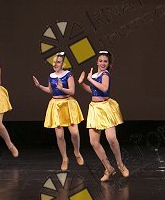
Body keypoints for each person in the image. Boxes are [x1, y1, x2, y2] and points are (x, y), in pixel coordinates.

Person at [78, 50, 129, 181]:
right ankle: (108, 168)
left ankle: (120, 165)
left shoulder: (105, 74)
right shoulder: (95, 75)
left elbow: (104, 88)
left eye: (105, 61)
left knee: (111, 138)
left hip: (105, 107)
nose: (102, 63)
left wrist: (90, 79)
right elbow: (93, 90)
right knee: (94, 142)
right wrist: (82, 83)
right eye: (100, 61)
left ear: (108, 63)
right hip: (95, 108)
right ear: (97, 62)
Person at [33, 52, 85, 170]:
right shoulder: (51, 76)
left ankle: (77, 152)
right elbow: (51, 90)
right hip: (56, 105)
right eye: (54, 62)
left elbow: (72, 91)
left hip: (68, 104)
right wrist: (40, 86)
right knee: (60, 135)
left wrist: (62, 88)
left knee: (74, 133)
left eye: (58, 62)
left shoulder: (68, 75)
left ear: (63, 63)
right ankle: (65, 158)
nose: (55, 64)